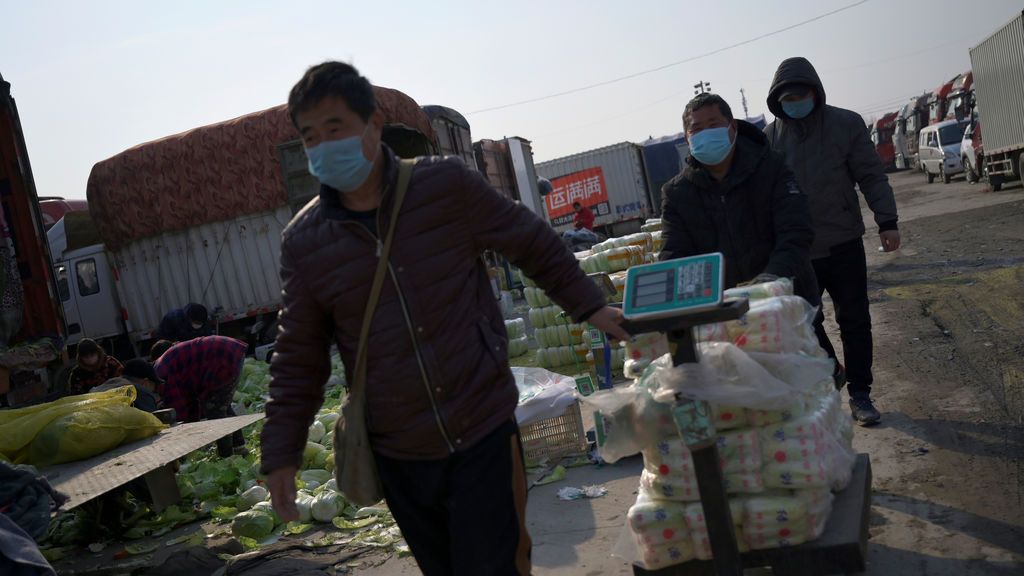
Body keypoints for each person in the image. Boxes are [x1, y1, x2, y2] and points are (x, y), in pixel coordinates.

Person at [260, 61, 629, 576]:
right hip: (399, 450)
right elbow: (297, 356)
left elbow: (530, 241)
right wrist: (281, 452)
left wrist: (590, 305)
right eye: (310, 137)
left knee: (495, 566)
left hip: (480, 426)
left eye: (334, 128)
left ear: (372, 125)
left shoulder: (443, 186)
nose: (323, 146)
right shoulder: (305, 242)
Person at [764, 57, 900, 426]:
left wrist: (886, 220)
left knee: (854, 319)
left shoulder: (845, 124)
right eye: (787, 97)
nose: (794, 101)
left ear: (815, 92)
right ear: (777, 100)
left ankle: (860, 393)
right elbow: (763, 197)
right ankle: (831, 370)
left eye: (800, 94)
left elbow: (871, 175)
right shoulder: (770, 138)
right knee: (805, 322)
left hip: (843, 240)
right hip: (798, 251)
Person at [659, 93, 819, 306]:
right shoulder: (677, 194)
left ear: (732, 126)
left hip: (788, 301)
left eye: (713, 125)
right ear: (688, 138)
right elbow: (675, 259)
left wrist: (770, 281)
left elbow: (796, 231)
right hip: (723, 316)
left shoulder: (772, 167)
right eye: (697, 129)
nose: (705, 133)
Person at [154, 335, 248, 456]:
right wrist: (194, 423)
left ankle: (227, 455)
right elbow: (190, 400)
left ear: (145, 381)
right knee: (221, 405)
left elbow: (179, 408)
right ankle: (239, 447)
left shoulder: (162, 374)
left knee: (215, 410)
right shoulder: (164, 366)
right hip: (228, 350)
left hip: (220, 356)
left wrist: (187, 433)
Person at [90, 358, 162, 413]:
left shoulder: (110, 382)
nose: (154, 392)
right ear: (145, 382)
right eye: (155, 388)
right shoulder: (140, 392)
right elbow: (155, 420)